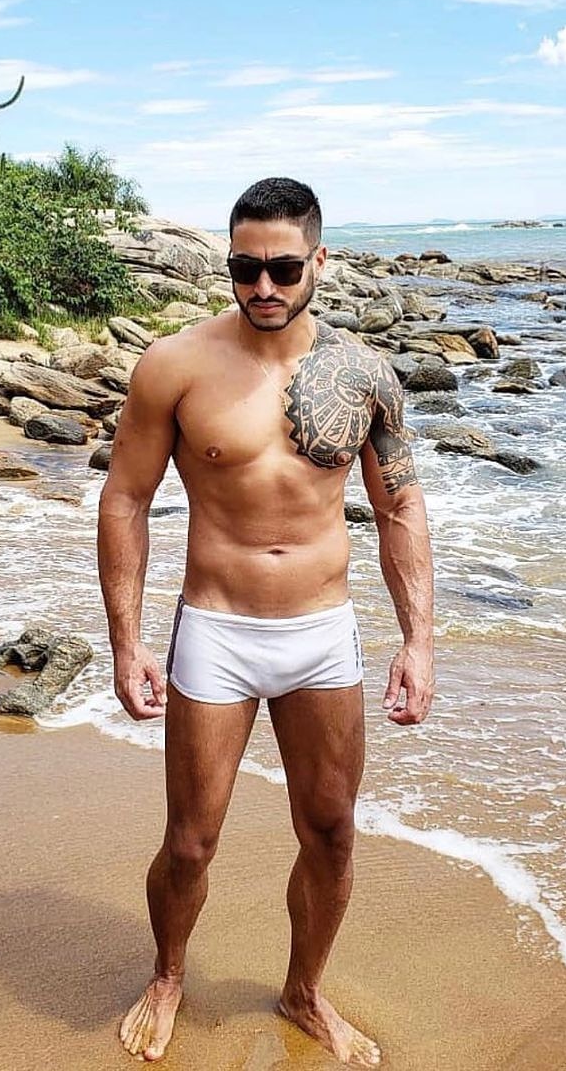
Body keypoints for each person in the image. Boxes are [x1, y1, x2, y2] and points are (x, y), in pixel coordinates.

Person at [97, 176, 435, 1065]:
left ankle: (304, 991)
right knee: (190, 842)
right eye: (244, 268)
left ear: (320, 261)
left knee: (331, 833)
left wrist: (418, 641)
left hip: (322, 634)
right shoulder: (176, 366)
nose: (263, 287)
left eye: (283, 268)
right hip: (217, 630)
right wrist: (127, 642)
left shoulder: (364, 374)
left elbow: (400, 507)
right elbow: (125, 499)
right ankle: (168, 975)